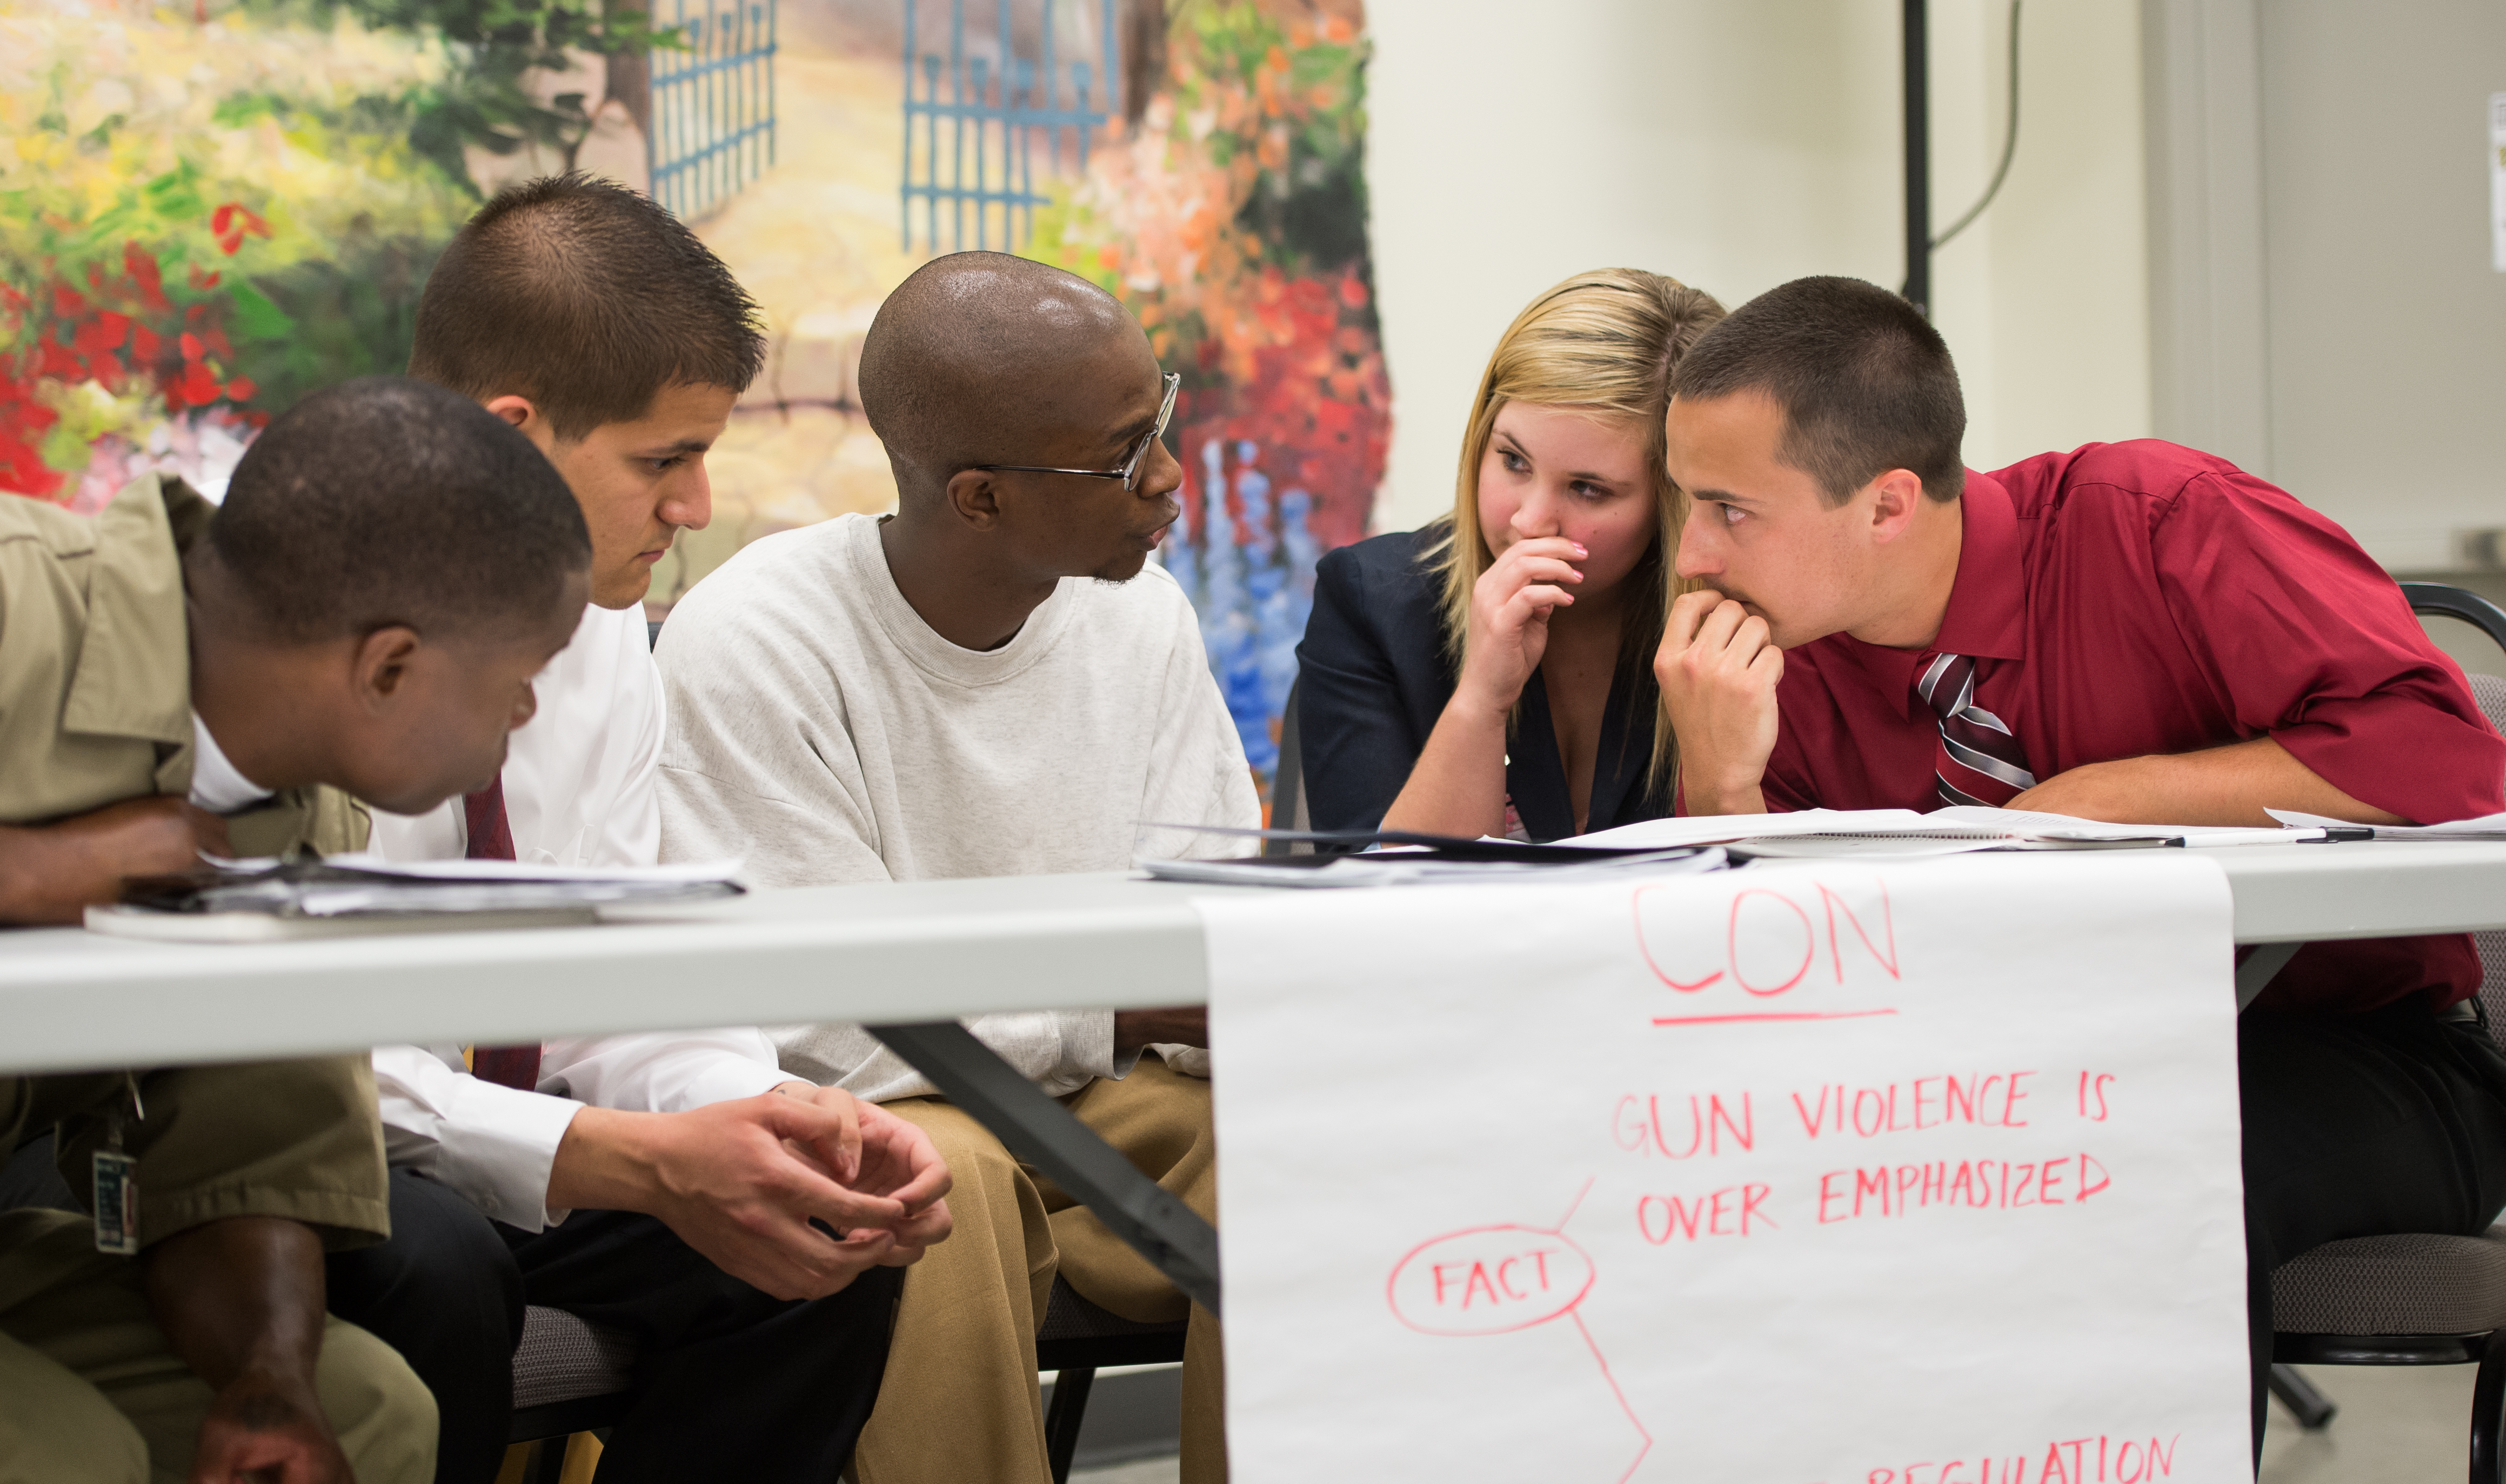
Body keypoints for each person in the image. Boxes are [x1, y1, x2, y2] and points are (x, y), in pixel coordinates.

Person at [1650, 275, 2506, 1449]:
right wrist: (1718, 788)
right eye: (1684, 502)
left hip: (2353, 1052)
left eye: (1727, 509)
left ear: (1886, 504)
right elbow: (1763, 1012)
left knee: (2129, 1176)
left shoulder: (2159, 523)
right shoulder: (1764, 672)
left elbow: (2449, 757)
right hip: (1988, 1076)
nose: (1691, 554)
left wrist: (2109, 798)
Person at [322, 173, 953, 1484]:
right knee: (439, 1267)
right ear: (511, 438)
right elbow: (303, 1064)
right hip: (309, 1144)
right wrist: (625, 1158)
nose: (695, 508)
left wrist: (760, 1119)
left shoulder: (607, 629)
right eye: (663, 461)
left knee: (814, 1243)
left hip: (512, 1133)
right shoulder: (287, 627)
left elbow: (622, 971)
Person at [654, 250, 1255, 1484]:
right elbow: (825, 1014)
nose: (1166, 477)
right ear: (978, 497)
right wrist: (1117, 1006)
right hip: (879, 1112)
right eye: (1122, 455)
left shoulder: (1142, 614)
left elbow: (1210, 914)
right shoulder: (757, 641)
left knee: (1291, 1140)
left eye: (1161, 419)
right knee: (937, 1186)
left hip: (1095, 1108)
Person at [0, 373, 611, 1483]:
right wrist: (29, 870)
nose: (526, 712)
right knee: (71, 1451)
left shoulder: (304, 815)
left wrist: (265, 1382)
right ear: (388, 666)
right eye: (520, 677)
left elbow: (242, 1158)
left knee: (365, 1411)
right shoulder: (15, 604)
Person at [1296, 268, 1726, 840]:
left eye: (1587, 489)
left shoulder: (1743, 625)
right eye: (1513, 461)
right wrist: (1481, 700)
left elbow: (1768, 883)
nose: (1528, 521)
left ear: (1673, 502)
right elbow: (1380, 888)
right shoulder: (1371, 603)